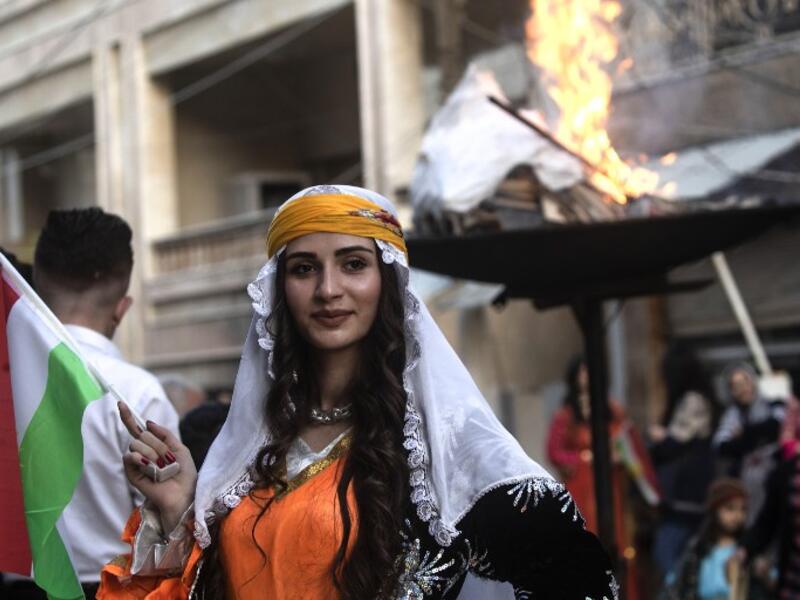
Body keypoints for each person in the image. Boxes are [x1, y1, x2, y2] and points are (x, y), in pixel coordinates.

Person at [98, 185, 616, 599]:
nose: (328, 290)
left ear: (386, 281)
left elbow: (578, 581)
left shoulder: (441, 446)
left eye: (353, 264)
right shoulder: (239, 449)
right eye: (304, 269)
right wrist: (178, 512)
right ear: (280, 288)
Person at [30, 207, 180, 598]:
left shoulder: (13, 380)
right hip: (109, 588)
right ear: (121, 308)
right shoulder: (138, 393)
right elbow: (167, 521)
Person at [649, 343, 718, 579]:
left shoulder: (692, 401)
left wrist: (659, 439)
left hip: (687, 496)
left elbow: (675, 443)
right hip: (690, 496)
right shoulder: (699, 398)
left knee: (668, 555)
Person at [712, 362, 785, 522]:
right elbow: (722, 447)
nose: (743, 388)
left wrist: (745, 434)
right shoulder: (731, 415)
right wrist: (755, 437)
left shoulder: (773, 404)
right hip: (747, 488)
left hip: (775, 480)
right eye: (736, 385)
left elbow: (777, 427)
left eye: (745, 381)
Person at [660, 478, 750, 600]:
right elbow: (676, 583)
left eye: (742, 509)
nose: (737, 516)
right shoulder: (698, 548)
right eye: (730, 508)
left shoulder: (746, 549)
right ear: (715, 509)